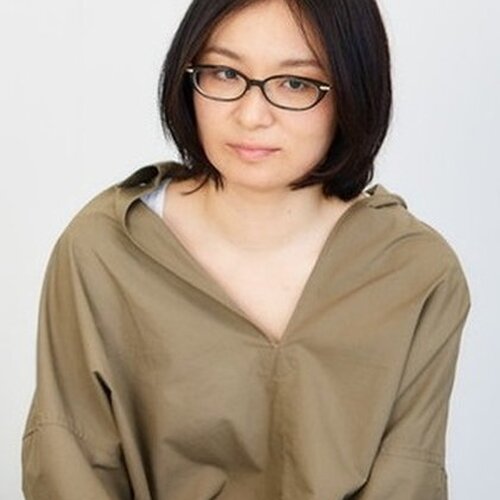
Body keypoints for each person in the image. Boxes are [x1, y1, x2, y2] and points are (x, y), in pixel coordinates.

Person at [21, 0, 471, 498]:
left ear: (353, 90)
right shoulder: (105, 250)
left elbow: (408, 478)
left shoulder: (414, 273)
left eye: (295, 83)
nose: (251, 115)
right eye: (224, 73)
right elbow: (68, 464)